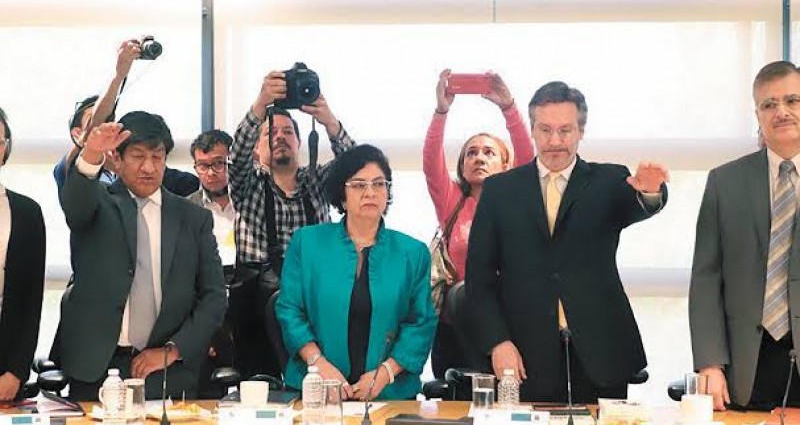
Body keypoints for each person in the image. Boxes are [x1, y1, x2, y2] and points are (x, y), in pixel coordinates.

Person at [466, 80, 669, 403]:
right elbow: (479, 281)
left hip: (600, 352)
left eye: (565, 130)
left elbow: (638, 204)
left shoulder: (609, 180)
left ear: (581, 131)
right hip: (524, 354)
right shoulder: (499, 190)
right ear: (532, 130)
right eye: (545, 130)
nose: (555, 141)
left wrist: (650, 191)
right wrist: (497, 342)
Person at [58, 111, 226, 401]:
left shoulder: (193, 218)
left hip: (167, 369)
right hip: (97, 368)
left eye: (157, 157)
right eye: (138, 156)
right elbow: (75, 201)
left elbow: (213, 295)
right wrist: (91, 153)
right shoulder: (96, 204)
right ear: (117, 158)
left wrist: (174, 349)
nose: (149, 167)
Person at [276, 145, 437, 400]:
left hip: (388, 392)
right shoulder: (306, 244)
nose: (370, 192)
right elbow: (289, 310)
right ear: (342, 195)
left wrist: (386, 373)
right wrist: (318, 364)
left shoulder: (413, 253)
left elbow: (421, 322)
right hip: (316, 389)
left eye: (379, 184)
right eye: (359, 185)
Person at [228, 69, 356, 377]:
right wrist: (261, 104)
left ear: (300, 141)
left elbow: (357, 167)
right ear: (256, 147)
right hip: (257, 304)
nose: (280, 137)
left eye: (288, 132)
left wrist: (330, 122)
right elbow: (237, 154)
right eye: (270, 133)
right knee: (262, 384)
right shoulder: (247, 184)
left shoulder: (318, 181)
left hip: (316, 296)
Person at [690, 60, 800, 411]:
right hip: (746, 365)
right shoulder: (724, 183)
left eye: (792, 101)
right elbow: (706, 277)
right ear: (757, 115)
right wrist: (709, 363)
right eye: (769, 104)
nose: (781, 112)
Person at [424, 69, 534, 377]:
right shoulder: (452, 202)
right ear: (462, 166)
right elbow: (431, 162)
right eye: (471, 153)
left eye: (489, 152)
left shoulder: (517, 201)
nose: (479, 158)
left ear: (506, 165)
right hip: (457, 326)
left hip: (507, 323)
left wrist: (508, 107)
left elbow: (528, 157)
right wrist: (441, 111)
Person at [53, 39, 199, 197]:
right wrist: (119, 76)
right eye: (95, 120)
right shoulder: (70, 170)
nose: (107, 127)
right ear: (77, 133)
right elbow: (92, 133)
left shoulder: (173, 180)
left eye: (111, 121)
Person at [0, 108, 46, 402]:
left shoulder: (27, 212)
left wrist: (17, 370)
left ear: (5, 149)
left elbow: (32, 299)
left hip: (5, 365)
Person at [187, 129, 237, 396]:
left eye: (219, 163)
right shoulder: (187, 209)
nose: (211, 172)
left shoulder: (250, 203)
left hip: (247, 295)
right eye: (203, 166)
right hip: (207, 298)